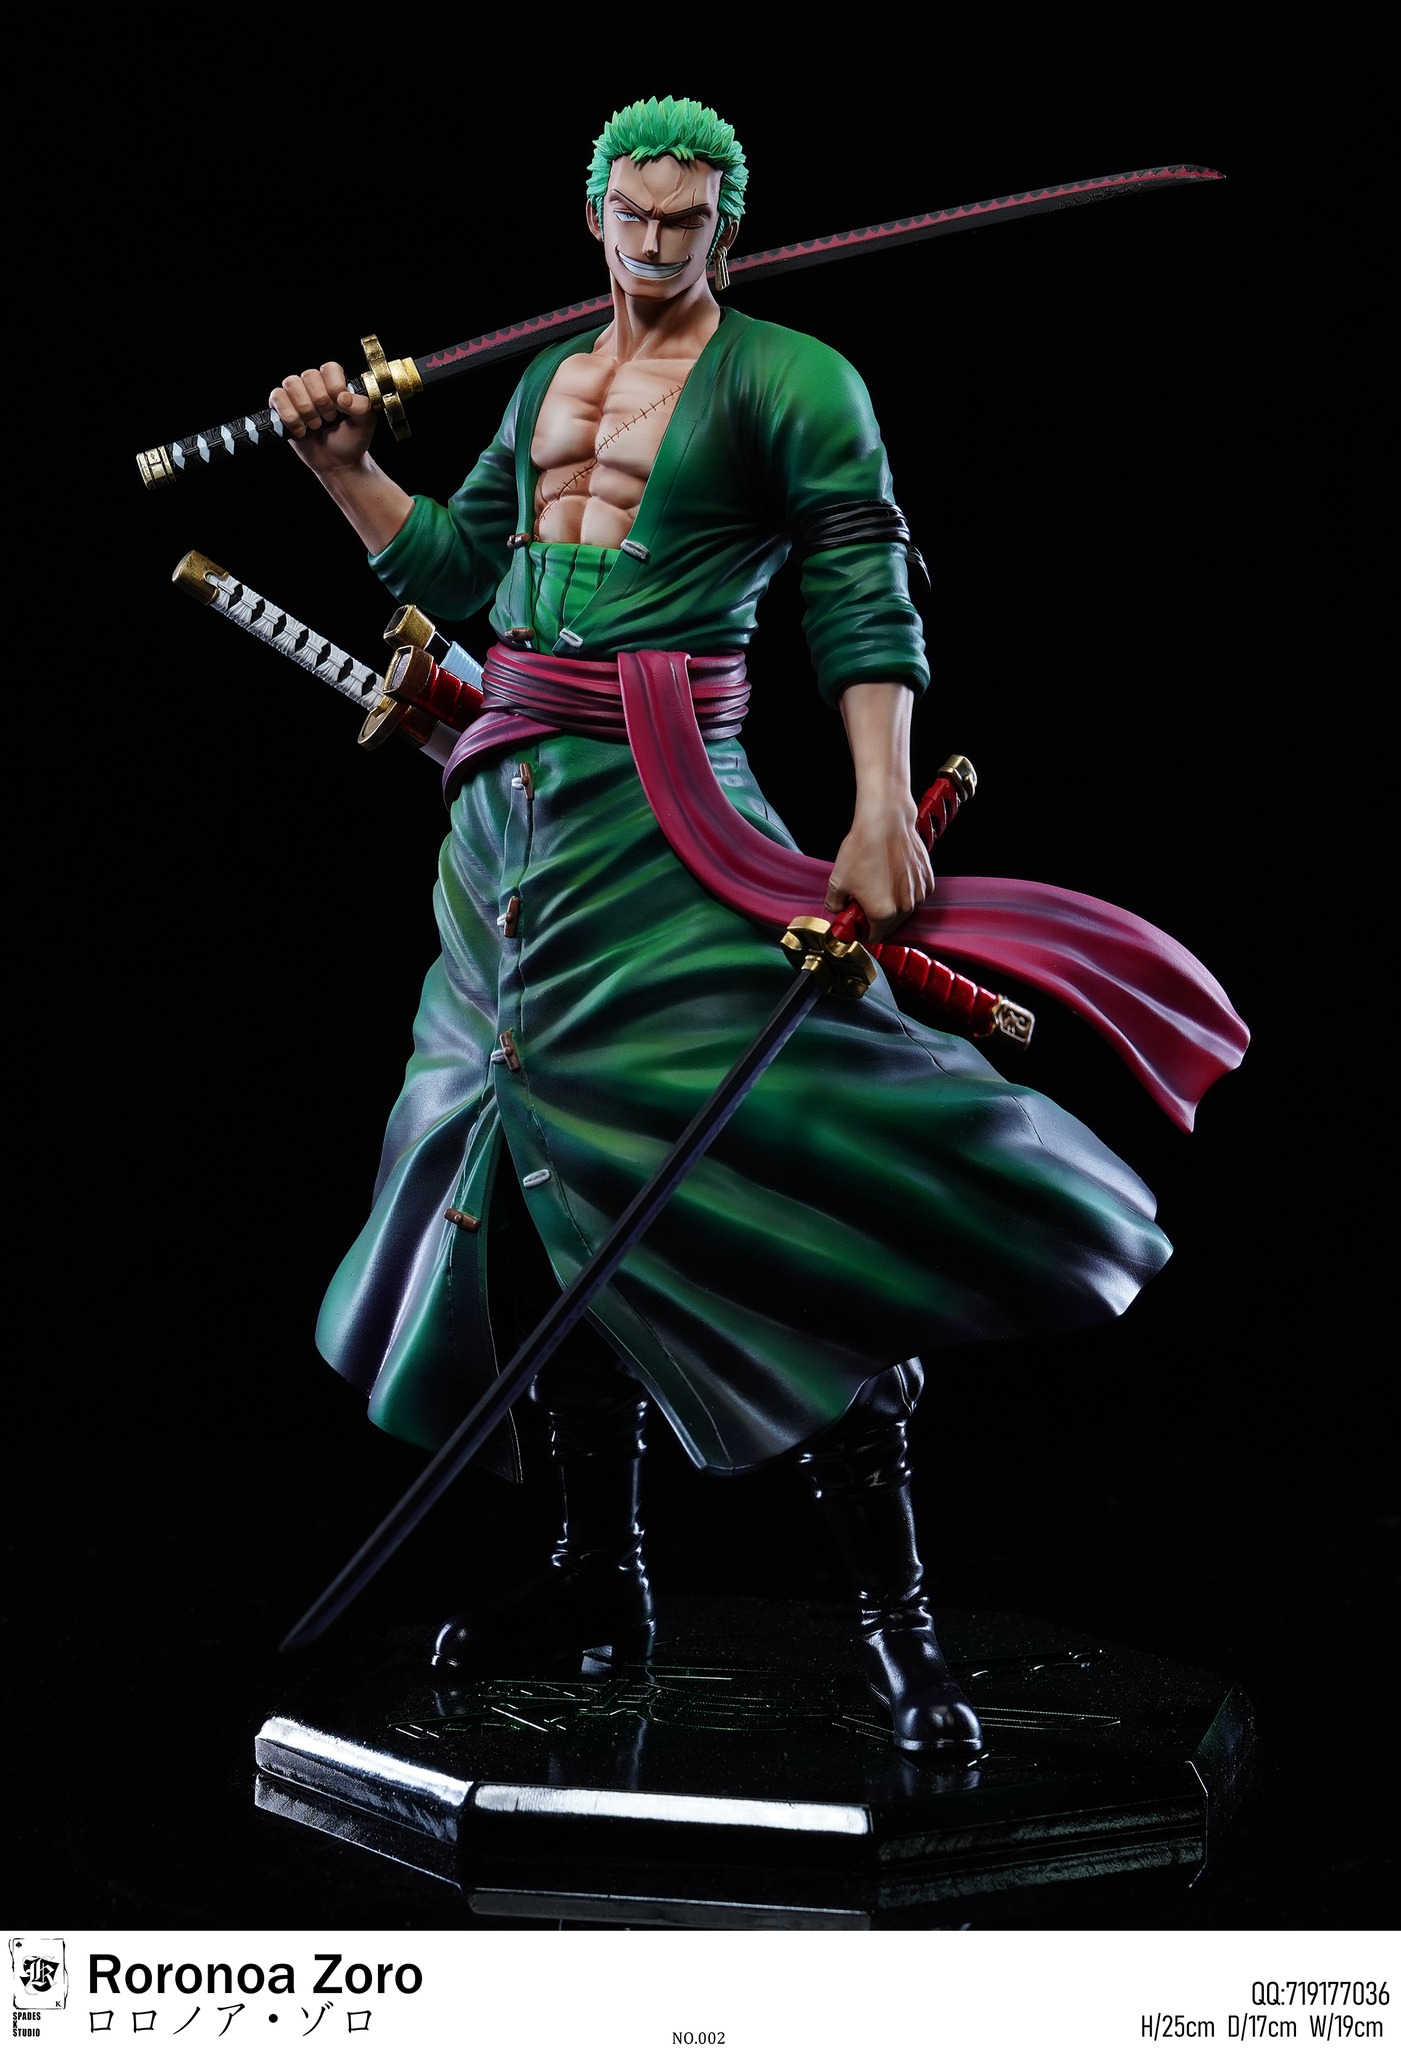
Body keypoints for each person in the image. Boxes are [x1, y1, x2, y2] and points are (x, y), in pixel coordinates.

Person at [269, 97, 1176, 1760]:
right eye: (631, 214)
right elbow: (465, 571)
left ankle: (897, 1630)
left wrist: (879, 801)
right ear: (593, 215)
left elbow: (858, 576)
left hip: (670, 812)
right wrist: (344, 469)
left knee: (763, 1181)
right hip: (508, 830)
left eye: (684, 220)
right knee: (526, 1198)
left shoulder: (792, 380)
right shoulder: (547, 380)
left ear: (727, 227)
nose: (653, 244)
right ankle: (596, 1580)